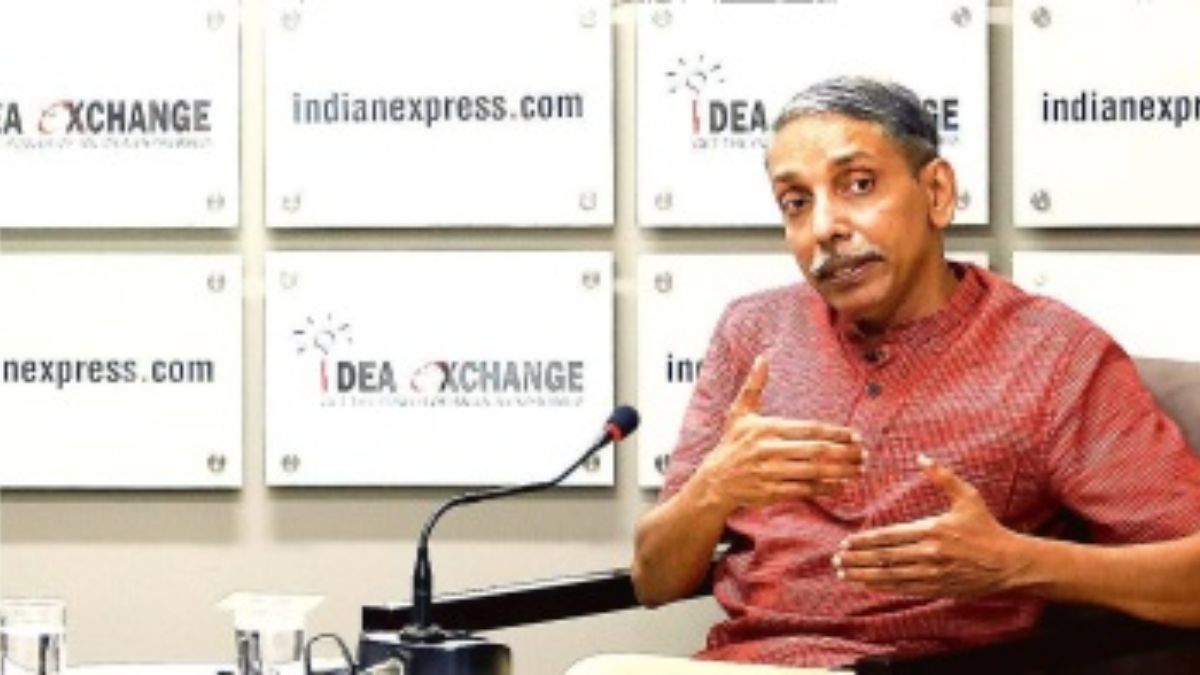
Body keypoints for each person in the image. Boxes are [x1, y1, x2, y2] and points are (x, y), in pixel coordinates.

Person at [627, 76, 1200, 669]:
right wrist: (714, 486)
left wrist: (1019, 564)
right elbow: (653, 580)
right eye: (796, 202)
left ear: (937, 193)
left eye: (859, 185)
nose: (824, 227)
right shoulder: (753, 330)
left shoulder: (1053, 354)